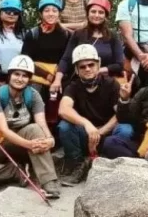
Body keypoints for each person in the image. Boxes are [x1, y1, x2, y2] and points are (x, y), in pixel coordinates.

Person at [0, 55, 60, 199]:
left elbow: (41, 123)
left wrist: (49, 139)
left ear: (29, 79)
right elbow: (3, 129)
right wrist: (29, 144)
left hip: (23, 134)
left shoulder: (33, 95)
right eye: (16, 74)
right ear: (9, 75)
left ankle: (49, 182)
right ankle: (16, 172)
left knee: (35, 129)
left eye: (24, 76)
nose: (20, 79)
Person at [57, 44, 133, 184]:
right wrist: (87, 124)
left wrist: (101, 131)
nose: (87, 69)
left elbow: (119, 115)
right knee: (64, 126)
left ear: (98, 65)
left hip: (107, 134)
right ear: (76, 70)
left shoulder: (112, 84)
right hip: (85, 133)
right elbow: (63, 109)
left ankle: (111, 166)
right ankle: (76, 164)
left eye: (91, 65)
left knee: (126, 128)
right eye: (82, 66)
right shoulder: (73, 87)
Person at [54, 0, 124, 93]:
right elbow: (66, 59)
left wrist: (98, 70)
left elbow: (120, 64)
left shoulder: (112, 36)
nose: (96, 15)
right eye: (93, 11)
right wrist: (57, 80)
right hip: (80, 82)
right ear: (88, 13)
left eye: (101, 12)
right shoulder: (78, 34)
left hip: (105, 83)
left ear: (106, 16)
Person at [23, 0, 71, 99]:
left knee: (55, 109)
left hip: (58, 79)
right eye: (46, 10)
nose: (51, 14)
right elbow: (25, 60)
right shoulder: (33, 34)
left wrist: (57, 77)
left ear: (59, 14)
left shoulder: (66, 35)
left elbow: (67, 59)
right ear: (41, 14)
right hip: (36, 79)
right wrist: (47, 75)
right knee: (35, 106)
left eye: (54, 10)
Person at [0, 0, 25, 77]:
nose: (11, 14)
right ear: (0, 13)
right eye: (8, 11)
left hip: (19, 78)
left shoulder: (25, 34)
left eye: (15, 12)